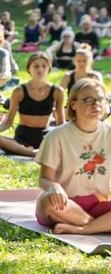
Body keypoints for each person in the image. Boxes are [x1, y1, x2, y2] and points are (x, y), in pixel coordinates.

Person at [34, 78, 111, 235]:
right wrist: (54, 187)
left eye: (100, 100)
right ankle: (101, 226)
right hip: (65, 206)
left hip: (99, 206)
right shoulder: (56, 136)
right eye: (89, 100)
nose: (96, 105)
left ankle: (86, 228)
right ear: (73, 103)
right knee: (45, 202)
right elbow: (44, 180)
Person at [0, 52, 65, 157]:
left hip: (45, 136)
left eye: (44, 66)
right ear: (29, 68)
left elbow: (61, 123)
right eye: (36, 66)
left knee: (62, 144)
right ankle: (34, 153)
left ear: (49, 68)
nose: (40, 69)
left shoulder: (57, 91)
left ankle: (31, 152)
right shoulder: (19, 91)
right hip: (22, 136)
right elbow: (9, 121)